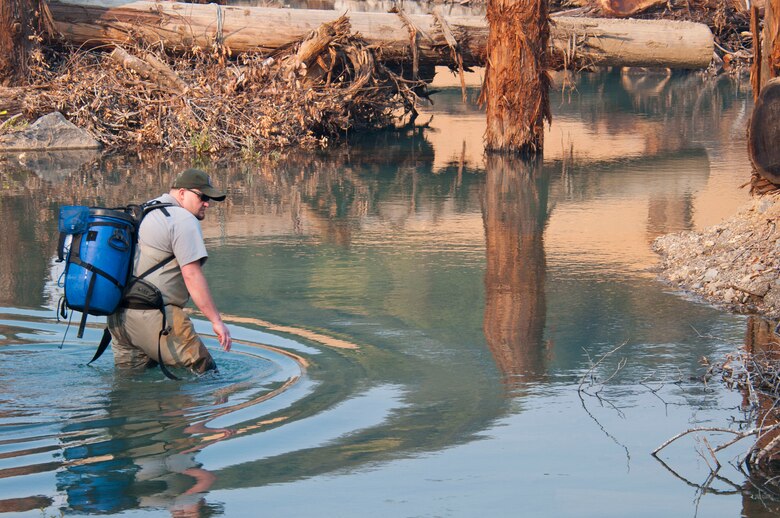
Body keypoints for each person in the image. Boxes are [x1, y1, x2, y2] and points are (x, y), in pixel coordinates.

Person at [108, 168, 232, 374]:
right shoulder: (182, 219)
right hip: (154, 317)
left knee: (131, 389)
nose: (207, 203)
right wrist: (216, 321)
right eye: (202, 196)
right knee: (207, 375)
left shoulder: (143, 210)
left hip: (118, 318)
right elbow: (191, 275)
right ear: (182, 193)